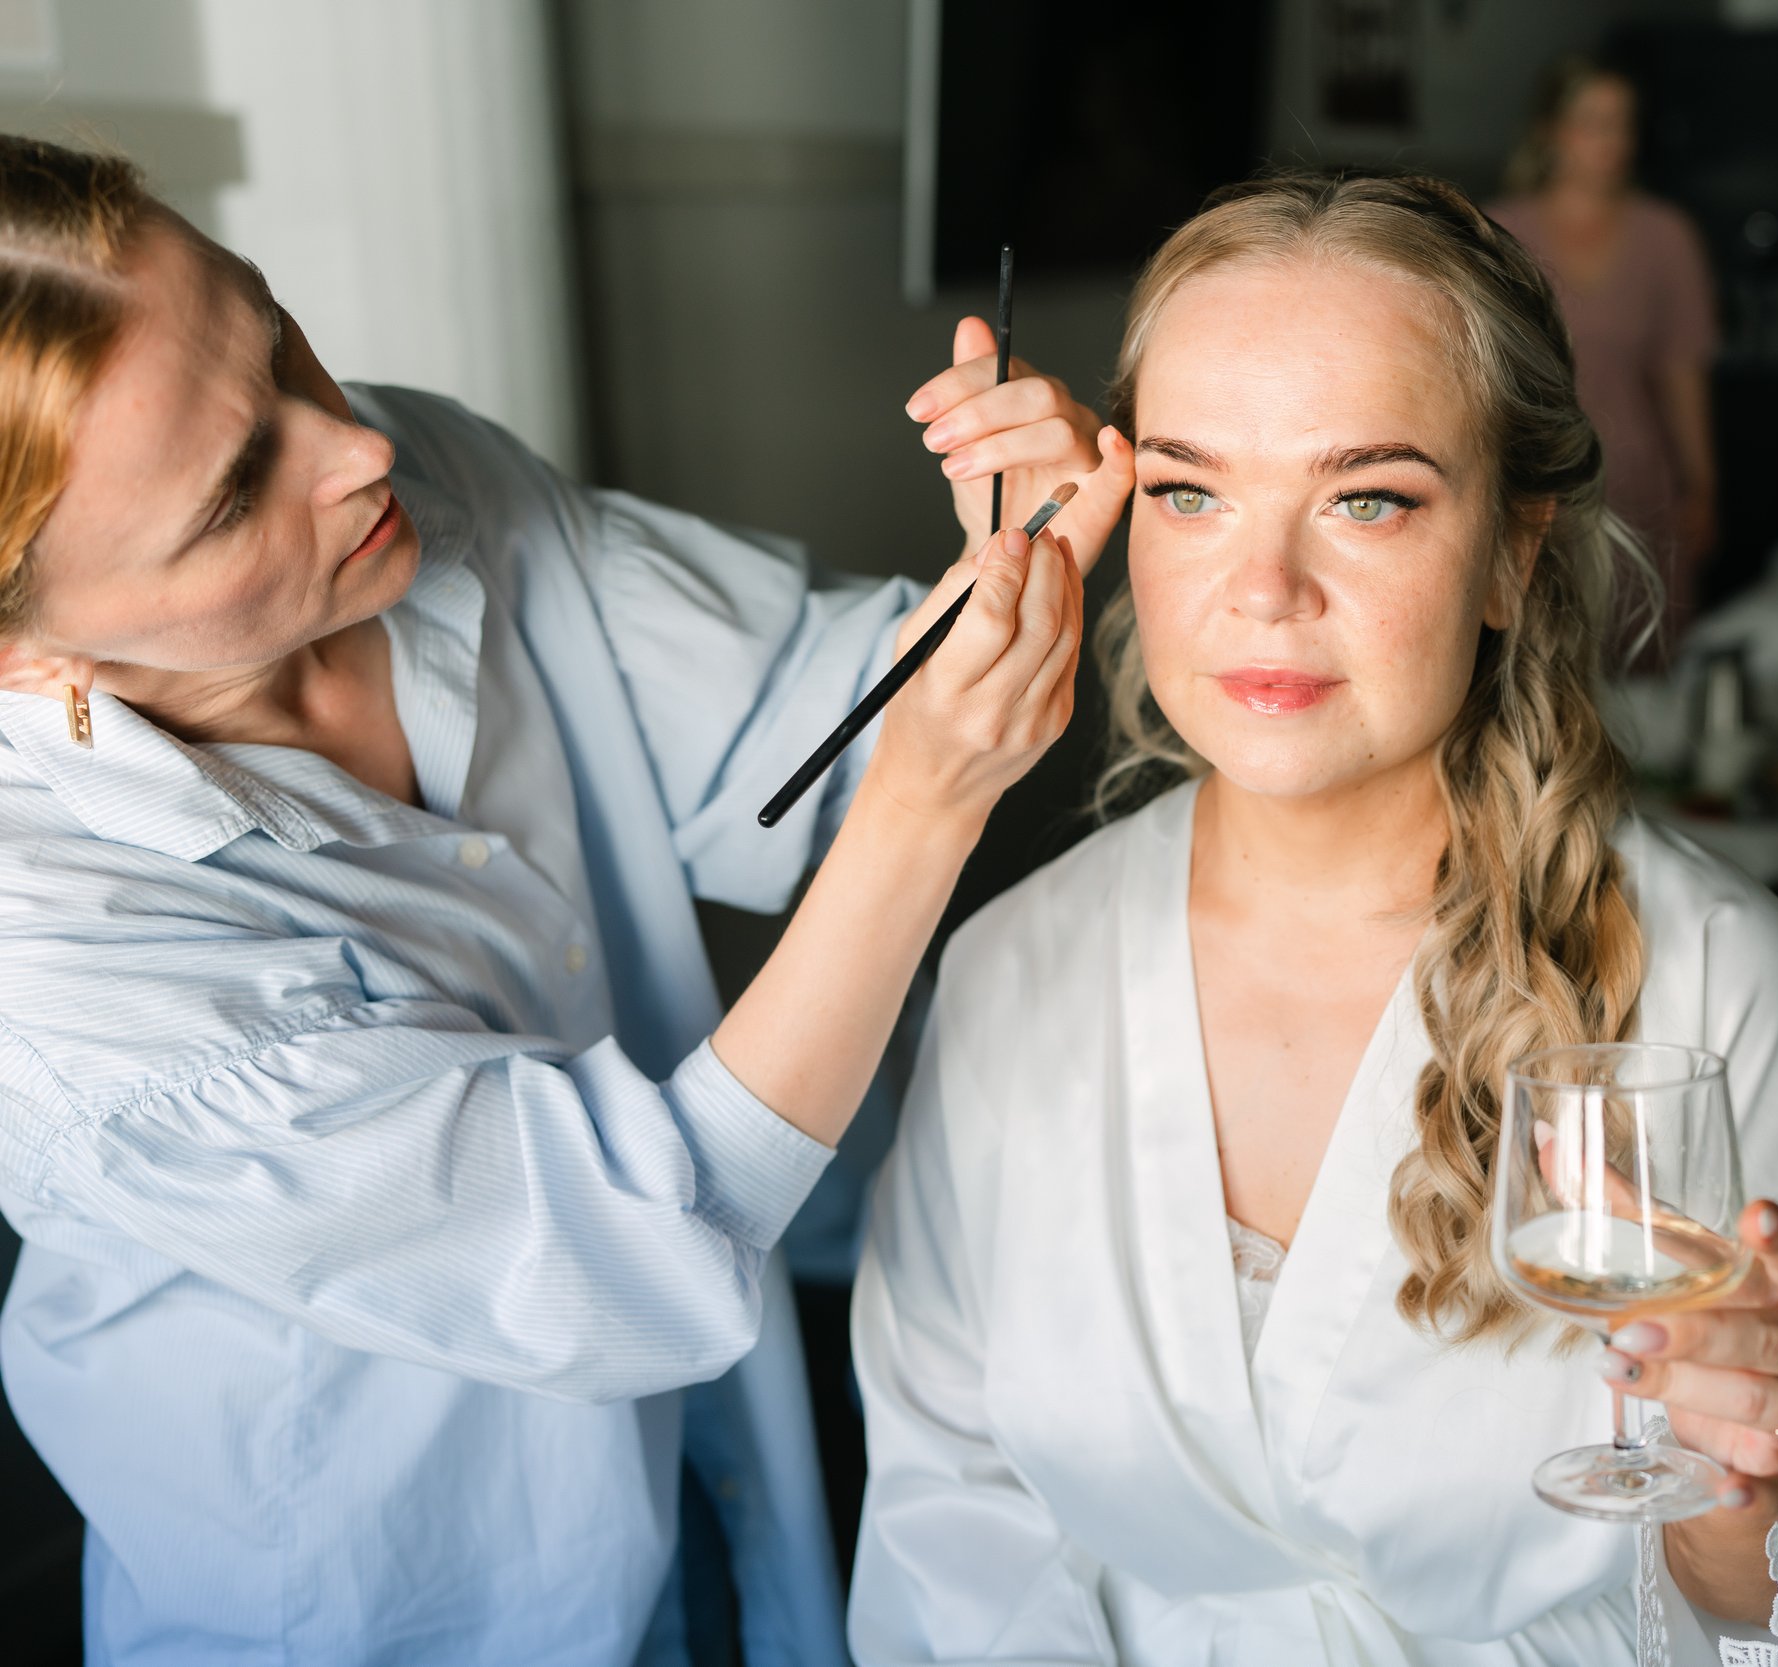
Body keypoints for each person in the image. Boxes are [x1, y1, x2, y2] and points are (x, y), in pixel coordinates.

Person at [0, 136, 1130, 1665]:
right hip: (392, 1599)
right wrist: (934, 796)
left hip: (699, 1479)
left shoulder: (424, 483)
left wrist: (1012, 557)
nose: (350, 448)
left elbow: (807, 735)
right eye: (228, 496)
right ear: (27, 657)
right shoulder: (55, 965)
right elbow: (620, 1258)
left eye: (277, 341)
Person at [848, 171, 1778, 1664]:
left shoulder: (1708, 980)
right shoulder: (1010, 971)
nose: (1262, 587)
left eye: (1366, 497)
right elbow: (952, 1518)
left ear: (1515, 548)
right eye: (1191, 491)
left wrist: (1758, 1471)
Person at [1491, 57, 1719, 668]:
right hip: (1535, 482)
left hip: (1639, 481)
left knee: (1640, 666)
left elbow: (1681, 369)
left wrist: (1702, 483)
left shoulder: (1665, 236)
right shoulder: (1500, 231)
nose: (1611, 141)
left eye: (1622, 124)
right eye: (1592, 122)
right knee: (1537, 661)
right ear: (1551, 130)